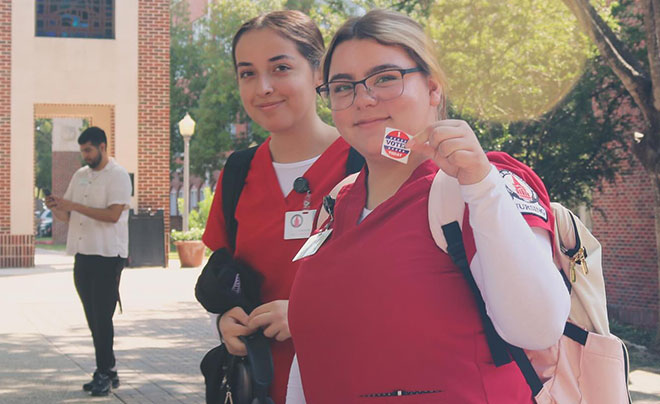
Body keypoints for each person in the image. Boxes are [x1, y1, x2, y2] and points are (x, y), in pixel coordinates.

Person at [286, 9, 571, 403]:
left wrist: (482, 186)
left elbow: (538, 329)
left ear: (433, 89)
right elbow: (311, 353)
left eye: (385, 78)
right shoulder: (337, 202)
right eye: (341, 86)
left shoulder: (474, 186)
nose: (363, 99)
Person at [201, 10, 362, 404]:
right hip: (260, 385)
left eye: (281, 67)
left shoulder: (366, 163)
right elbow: (226, 273)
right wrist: (224, 320)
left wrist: (308, 313)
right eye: (248, 73)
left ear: (318, 72)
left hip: (348, 380)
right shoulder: (238, 172)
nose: (264, 87)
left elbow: (404, 283)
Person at [46, 126, 132, 397]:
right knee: (93, 318)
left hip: (108, 256)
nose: (85, 156)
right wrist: (57, 208)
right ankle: (109, 369)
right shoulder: (80, 175)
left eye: (88, 150)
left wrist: (73, 206)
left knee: (102, 318)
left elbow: (113, 215)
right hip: (82, 254)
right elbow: (67, 216)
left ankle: (104, 373)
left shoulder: (117, 176)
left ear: (102, 146)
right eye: (82, 151)